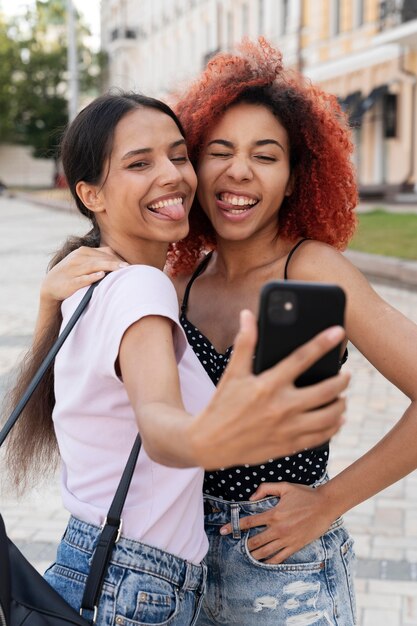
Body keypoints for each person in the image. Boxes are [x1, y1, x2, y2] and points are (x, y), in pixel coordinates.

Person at [35, 38, 417, 625]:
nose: (238, 170)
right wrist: (49, 299)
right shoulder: (176, 277)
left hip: (279, 568)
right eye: (218, 151)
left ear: (294, 179)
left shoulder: (311, 270)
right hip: (172, 569)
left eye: (266, 156)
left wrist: (329, 502)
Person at [4, 90, 349, 626]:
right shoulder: (146, 288)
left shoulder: (89, 278)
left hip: (96, 562)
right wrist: (213, 433)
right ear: (91, 194)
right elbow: (160, 422)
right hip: (135, 585)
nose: (172, 175)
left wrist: (48, 301)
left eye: (178, 155)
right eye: (140, 163)